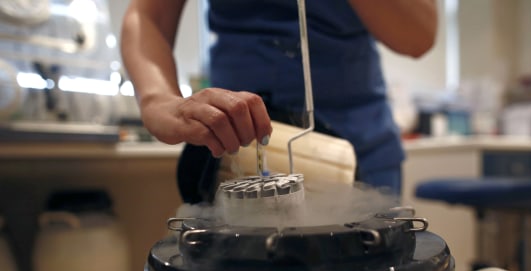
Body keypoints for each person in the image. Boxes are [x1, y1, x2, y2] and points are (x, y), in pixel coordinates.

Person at [120, 0, 437, 203]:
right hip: (235, 151)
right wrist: (158, 99)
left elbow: (418, 34)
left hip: (360, 153)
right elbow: (149, 14)